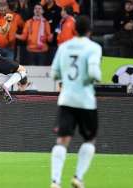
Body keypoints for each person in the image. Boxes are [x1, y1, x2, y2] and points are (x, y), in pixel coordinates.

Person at [50, 16, 102, 188]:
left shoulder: (64, 47)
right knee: (89, 140)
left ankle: (55, 182)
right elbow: (94, 73)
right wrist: (97, 78)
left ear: (74, 30)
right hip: (86, 101)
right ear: (90, 31)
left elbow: (54, 74)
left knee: (62, 140)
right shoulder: (94, 47)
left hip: (66, 99)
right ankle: (78, 177)